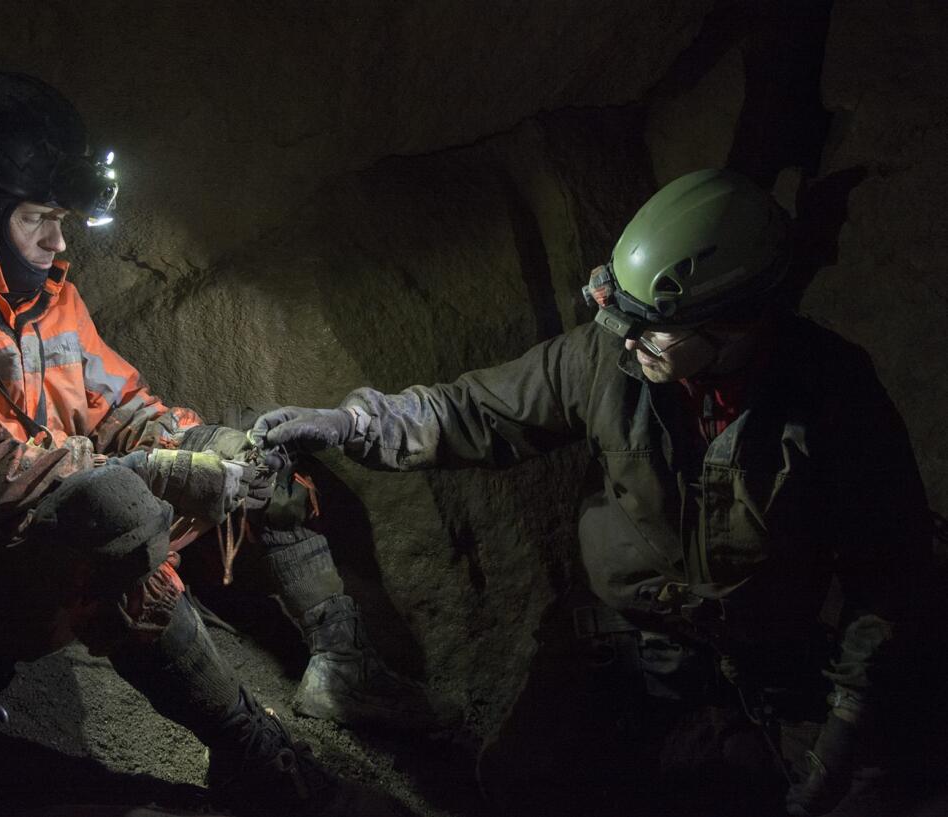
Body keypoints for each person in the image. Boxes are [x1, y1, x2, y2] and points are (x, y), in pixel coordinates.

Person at [0, 62, 408, 817]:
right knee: (111, 507)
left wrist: (199, 446)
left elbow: (116, 402)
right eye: (39, 220)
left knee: (258, 445)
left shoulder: (45, 295)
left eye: (63, 220)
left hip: (48, 529)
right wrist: (158, 472)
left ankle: (343, 665)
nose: (60, 243)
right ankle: (254, 755)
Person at [252, 169, 932, 816]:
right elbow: (472, 412)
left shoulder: (834, 398)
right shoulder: (611, 360)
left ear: (732, 324)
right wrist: (350, 423)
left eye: (649, 322)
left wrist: (847, 727)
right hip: (631, 638)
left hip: (773, 660)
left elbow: (891, 579)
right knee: (524, 777)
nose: (624, 336)